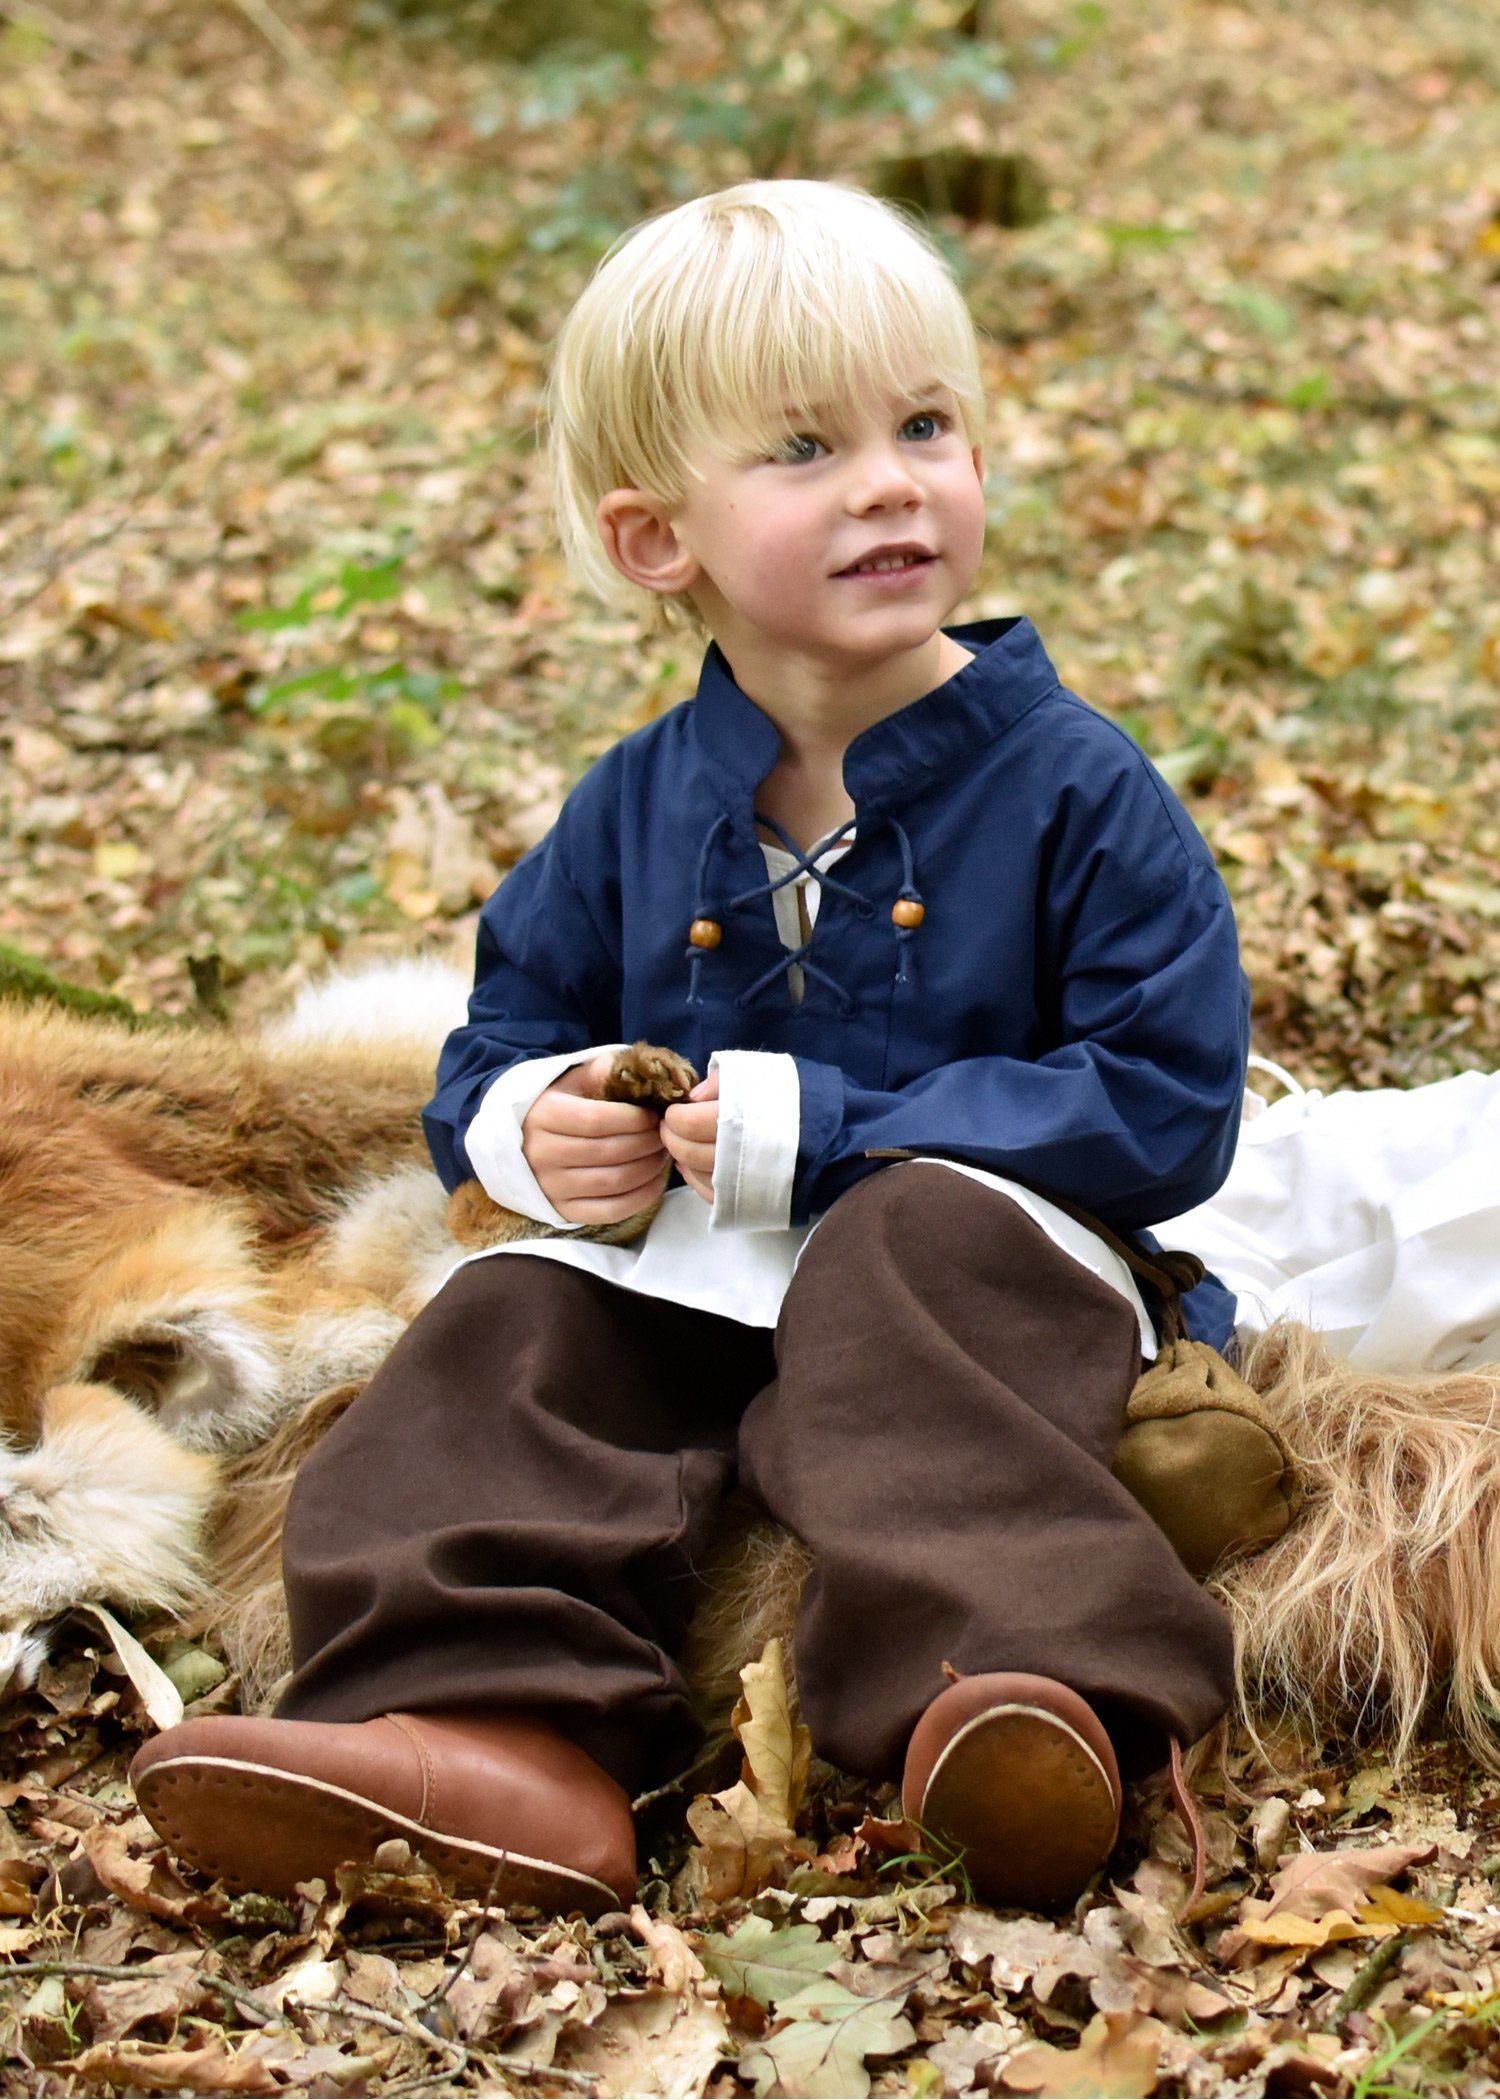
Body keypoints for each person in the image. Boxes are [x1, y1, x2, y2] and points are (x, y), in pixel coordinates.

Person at [131, 179, 1251, 1915]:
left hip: (990, 1250)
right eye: (806, 447)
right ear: (662, 540)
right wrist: (536, 1119)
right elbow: (504, 1029)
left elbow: (1166, 1098)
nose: (890, 481)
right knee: (506, 1323)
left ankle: (1018, 1698)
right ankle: (494, 1731)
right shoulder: (637, 803)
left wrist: (842, 1133)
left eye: (925, 426)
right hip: (698, 1263)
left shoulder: (1076, 790)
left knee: (912, 1263)